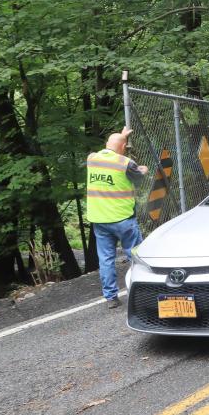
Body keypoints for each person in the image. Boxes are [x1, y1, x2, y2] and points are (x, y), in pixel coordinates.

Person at [86, 127, 148, 308]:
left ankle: (111, 298)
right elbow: (138, 179)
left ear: (106, 145)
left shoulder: (92, 159)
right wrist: (143, 170)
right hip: (123, 219)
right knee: (135, 255)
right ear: (123, 147)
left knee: (105, 259)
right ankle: (143, 291)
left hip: (100, 220)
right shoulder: (126, 163)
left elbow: (108, 150)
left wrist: (121, 137)